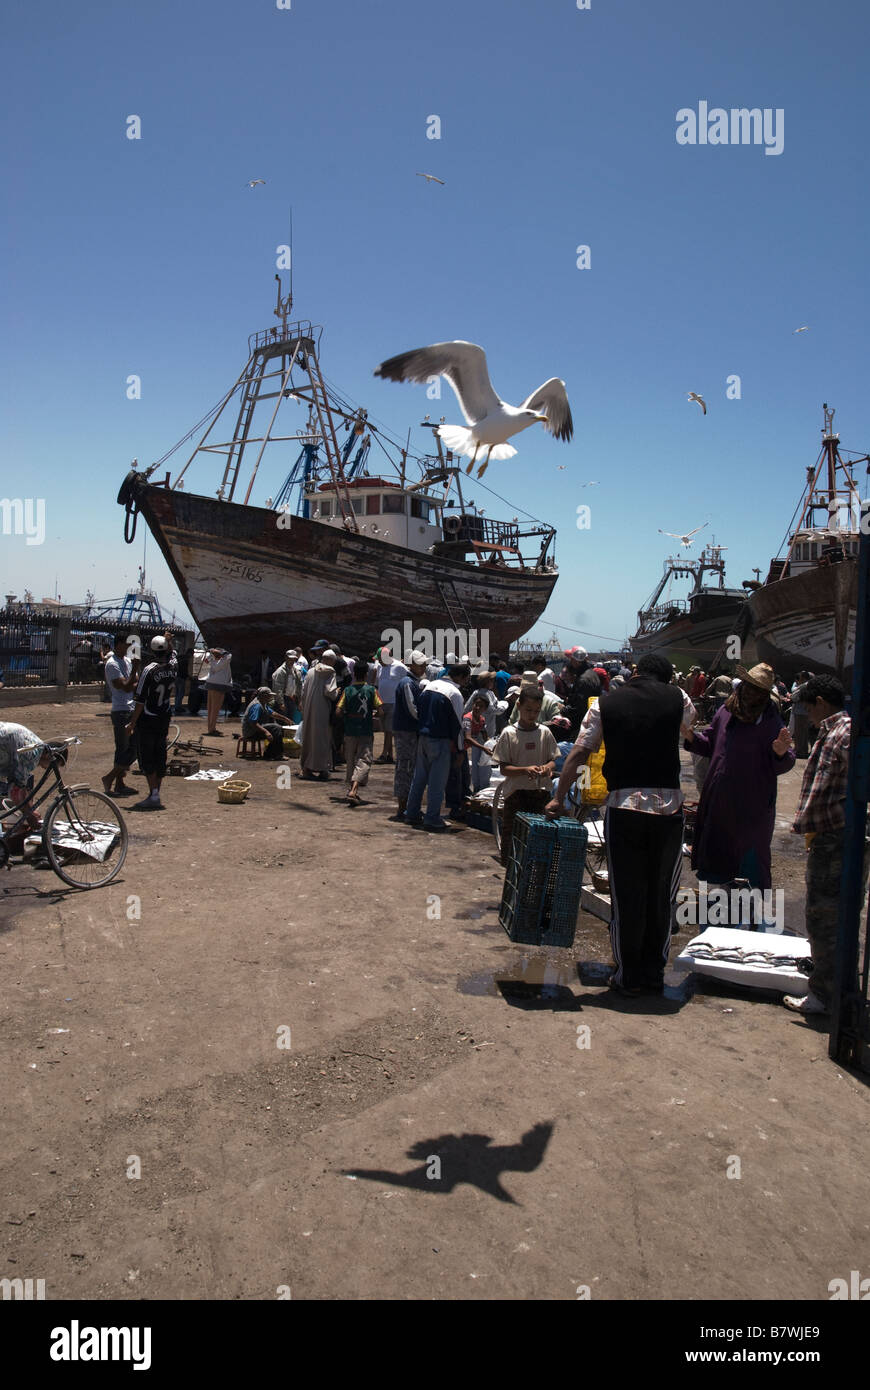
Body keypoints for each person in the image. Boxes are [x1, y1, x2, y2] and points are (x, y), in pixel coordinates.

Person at [546, 652, 696, 997]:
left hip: (623, 808)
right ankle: (654, 974)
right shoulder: (679, 697)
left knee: (627, 894)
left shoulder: (605, 704)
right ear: (667, 677)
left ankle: (627, 976)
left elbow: (581, 751)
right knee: (661, 894)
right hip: (668, 810)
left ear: (635, 673)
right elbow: (689, 729)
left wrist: (559, 796)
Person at [785, 675, 861, 1016]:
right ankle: (838, 988)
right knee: (831, 915)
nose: (806, 714)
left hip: (836, 838)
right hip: (829, 836)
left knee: (824, 916)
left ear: (820, 703)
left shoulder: (843, 733)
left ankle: (824, 996)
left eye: (807, 706)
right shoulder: (833, 731)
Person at [684, 663, 794, 897]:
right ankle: (725, 892)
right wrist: (692, 737)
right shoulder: (725, 712)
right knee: (720, 845)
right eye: (750, 687)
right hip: (720, 794)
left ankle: (751, 903)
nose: (752, 694)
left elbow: (785, 761)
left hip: (753, 799)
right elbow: (710, 744)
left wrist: (780, 753)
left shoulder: (770, 719)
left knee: (751, 850)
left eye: (759, 690)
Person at [492, 687, 558, 867]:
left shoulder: (544, 732)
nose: (532, 715)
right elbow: (504, 768)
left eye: (536, 711)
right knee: (512, 835)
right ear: (519, 706)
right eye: (528, 710)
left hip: (540, 793)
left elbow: (553, 760)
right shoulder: (508, 733)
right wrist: (524, 770)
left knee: (538, 839)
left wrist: (547, 768)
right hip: (516, 794)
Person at [404, 661, 466, 832]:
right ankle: (432, 818)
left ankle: (412, 812)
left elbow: (419, 711)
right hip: (440, 741)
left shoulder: (429, 686)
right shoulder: (455, 693)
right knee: (437, 782)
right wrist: (460, 750)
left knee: (419, 778)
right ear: (461, 677)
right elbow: (458, 725)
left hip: (423, 737)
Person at [126, 634, 178, 811]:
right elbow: (173, 654)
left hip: (148, 718)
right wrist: (168, 641)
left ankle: (153, 794)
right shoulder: (173, 667)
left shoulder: (149, 670)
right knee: (160, 754)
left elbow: (140, 699)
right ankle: (155, 793)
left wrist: (132, 723)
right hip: (164, 716)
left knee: (147, 756)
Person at [336, 667, 382, 804]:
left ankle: (352, 790)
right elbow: (381, 711)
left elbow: (338, 711)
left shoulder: (347, 691)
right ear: (366, 674)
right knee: (364, 759)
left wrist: (347, 717)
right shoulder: (372, 690)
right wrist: (373, 715)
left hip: (350, 730)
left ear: (354, 674)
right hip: (365, 730)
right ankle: (354, 790)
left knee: (350, 760)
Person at [102, 634, 140, 796]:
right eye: (126, 645)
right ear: (117, 645)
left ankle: (116, 780)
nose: (128, 648)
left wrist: (132, 680)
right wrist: (134, 673)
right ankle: (112, 779)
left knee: (134, 747)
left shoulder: (126, 661)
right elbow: (124, 687)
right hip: (120, 710)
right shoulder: (112, 664)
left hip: (130, 708)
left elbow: (134, 684)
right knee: (123, 748)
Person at [0, 721, 53, 837]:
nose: (46, 768)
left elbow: (21, 786)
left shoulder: (37, 744)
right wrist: (29, 816)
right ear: (48, 756)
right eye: (52, 765)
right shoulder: (32, 756)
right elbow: (15, 791)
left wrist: (29, 809)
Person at [392, 651, 428, 820]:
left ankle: (408, 806)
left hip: (410, 731)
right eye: (421, 665)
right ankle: (403, 807)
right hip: (407, 731)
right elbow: (412, 709)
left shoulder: (414, 682)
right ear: (411, 665)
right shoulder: (408, 682)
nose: (424, 668)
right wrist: (424, 722)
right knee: (405, 767)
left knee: (410, 767)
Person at [300, 649, 339, 780]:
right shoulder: (330, 672)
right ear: (330, 660)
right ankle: (323, 769)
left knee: (309, 737)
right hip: (322, 709)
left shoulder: (310, 671)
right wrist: (337, 692)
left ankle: (306, 768)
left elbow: (303, 691)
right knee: (322, 739)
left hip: (308, 709)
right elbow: (330, 692)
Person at [555, 647, 602, 734]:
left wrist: (563, 709)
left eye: (571, 659)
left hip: (582, 727)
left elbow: (579, 708)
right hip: (592, 722)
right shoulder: (591, 674)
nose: (570, 662)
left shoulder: (583, 680)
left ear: (576, 661)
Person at [374, 646, 408, 763]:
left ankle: (383, 754)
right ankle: (390, 755)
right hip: (382, 703)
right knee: (386, 730)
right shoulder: (379, 666)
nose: (379, 661)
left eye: (380, 659)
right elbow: (377, 685)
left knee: (389, 730)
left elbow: (407, 683)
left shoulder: (400, 667)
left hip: (394, 702)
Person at [241, 686, 292, 759]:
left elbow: (273, 713)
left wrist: (285, 719)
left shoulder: (263, 704)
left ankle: (270, 753)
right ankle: (275, 754)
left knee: (277, 728)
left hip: (255, 730)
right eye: (269, 695)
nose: (270, 697)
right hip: (251, 732)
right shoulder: (257, 705)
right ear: (264, 696)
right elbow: (253, 723)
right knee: (276, 728)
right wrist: (266, 732)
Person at [203, 647, 232, 736]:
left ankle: (211, 728)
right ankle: (212, 730)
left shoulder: (212, 659)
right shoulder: (225, 659)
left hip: (211, 683)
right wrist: (215, 651)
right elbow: (229, 654)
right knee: (215, 709)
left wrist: (212, 652)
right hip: (219, 685)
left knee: (210, 708)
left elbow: (206, 660)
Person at [789, 671, 814, 759]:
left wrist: (790, 697)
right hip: (805, 712)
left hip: (800, 712)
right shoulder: (810, 685)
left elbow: (794, 696)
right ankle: (802, 750)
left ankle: (800, 751)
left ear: (803, 678)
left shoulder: (803, 686)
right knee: (804, 733)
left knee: (799, 733)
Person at [272, 649, 302, 719]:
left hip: (292, 699)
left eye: (293, 659)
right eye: (290, 659)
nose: (292, 661)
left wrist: (299, 700)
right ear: (286, 658)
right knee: (283, 720)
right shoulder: (280, 671)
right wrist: (281, 702)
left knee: (290, 720)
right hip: (283, 699)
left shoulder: (296, 671)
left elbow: (299, 686)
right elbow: (278, 688)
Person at [173, 644, 191, 715]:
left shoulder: (180, 657)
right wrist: (188, 677)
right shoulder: (186, 659)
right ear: (190, 653)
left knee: (177, 693)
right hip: (181, 678)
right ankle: (178, 707)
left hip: (176, 677)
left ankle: (176, 706)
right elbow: (184, 670)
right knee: (181, 693)